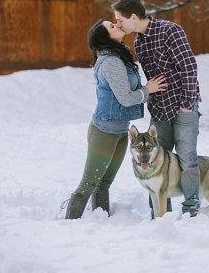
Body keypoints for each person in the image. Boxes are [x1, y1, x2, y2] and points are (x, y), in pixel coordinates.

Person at [64, 19, 167, 219]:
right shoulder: (111, 62)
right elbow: (126, 98)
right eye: (112, 27)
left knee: (104, 182)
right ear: (105, 38)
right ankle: (69, 225)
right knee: (89, 183)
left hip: (120, 129)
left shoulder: (118, 56)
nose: (117, 25)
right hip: (104, 131)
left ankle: (100, 219)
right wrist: (149, 89)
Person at [112, 0, 202, 217]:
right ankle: (160, 215)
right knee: (154, 159)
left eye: (120, 20)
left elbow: (189, 68)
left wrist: (187, 105)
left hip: (183, 107)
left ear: (133, 16)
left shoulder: (170, 31)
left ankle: (192, 211)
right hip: (160, 110)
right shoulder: (139, 41)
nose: (119, 24)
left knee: (187, 158)